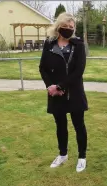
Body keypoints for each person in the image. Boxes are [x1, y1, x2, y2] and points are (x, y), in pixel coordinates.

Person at [39, 12, 88, 173]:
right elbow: (43, 68)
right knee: (60, 125)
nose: (68, 29)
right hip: (55, 94)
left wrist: (60, 86)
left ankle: (81, 157)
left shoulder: (78, 45)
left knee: (79, 125)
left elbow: (78, 70)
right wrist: (50, 87)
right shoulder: (49, 44)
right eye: (65, 26)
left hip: (74, 92)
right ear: (58, 26)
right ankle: (63, 154)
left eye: (71, 27)